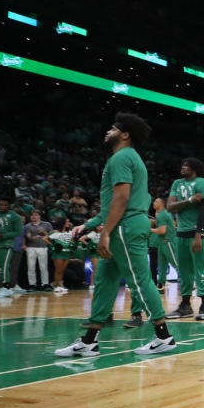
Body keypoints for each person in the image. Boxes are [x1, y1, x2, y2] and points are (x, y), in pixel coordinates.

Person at [54, 114, 177, 357]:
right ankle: (90, 340)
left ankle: (164, 336)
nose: (107, 130)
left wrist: (106, 233)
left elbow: (122, 199)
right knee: (105, 282)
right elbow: (112, 203)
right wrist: (88, 226)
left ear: (125, 134)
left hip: (126, 226)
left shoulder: (122, 157)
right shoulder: (126, 158)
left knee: (140, 281)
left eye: (112, 127)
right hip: (125, 223)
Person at [165, 158, 204, 320]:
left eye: (186, 165)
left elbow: (203, 210)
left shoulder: (201, 183)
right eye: (182, 165)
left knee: (200, 269)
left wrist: (198, 235)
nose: (183, 167)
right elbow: (170, 207)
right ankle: (185, 305)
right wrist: (191, 200)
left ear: (195, 168)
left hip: (197, 233)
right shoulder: (177, 184)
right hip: (181, 232)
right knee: (184, 271)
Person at [150, 197, 178, 293]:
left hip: (168, 242)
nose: (154, 203)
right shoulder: (161, 214)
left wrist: (149, 229)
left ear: (162, 204)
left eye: (156, 201)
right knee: (162, 265)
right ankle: (160, 285)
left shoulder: (162, 215)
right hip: (162, 243)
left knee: (175, 263)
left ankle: (188, 283)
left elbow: (162, 231)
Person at [23, 210, 52, 292]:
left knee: (43, 267)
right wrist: (33, 238)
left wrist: (43, 232)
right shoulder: (27, 226)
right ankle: (32, 284)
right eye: (32, 215)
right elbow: (28, 237)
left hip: (42, 247)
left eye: (36, 215)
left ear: (39, 216)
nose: (34, 217)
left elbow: (52, 235)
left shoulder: (47, 224)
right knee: (31, 267)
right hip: (31, 247)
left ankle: (45, 284)